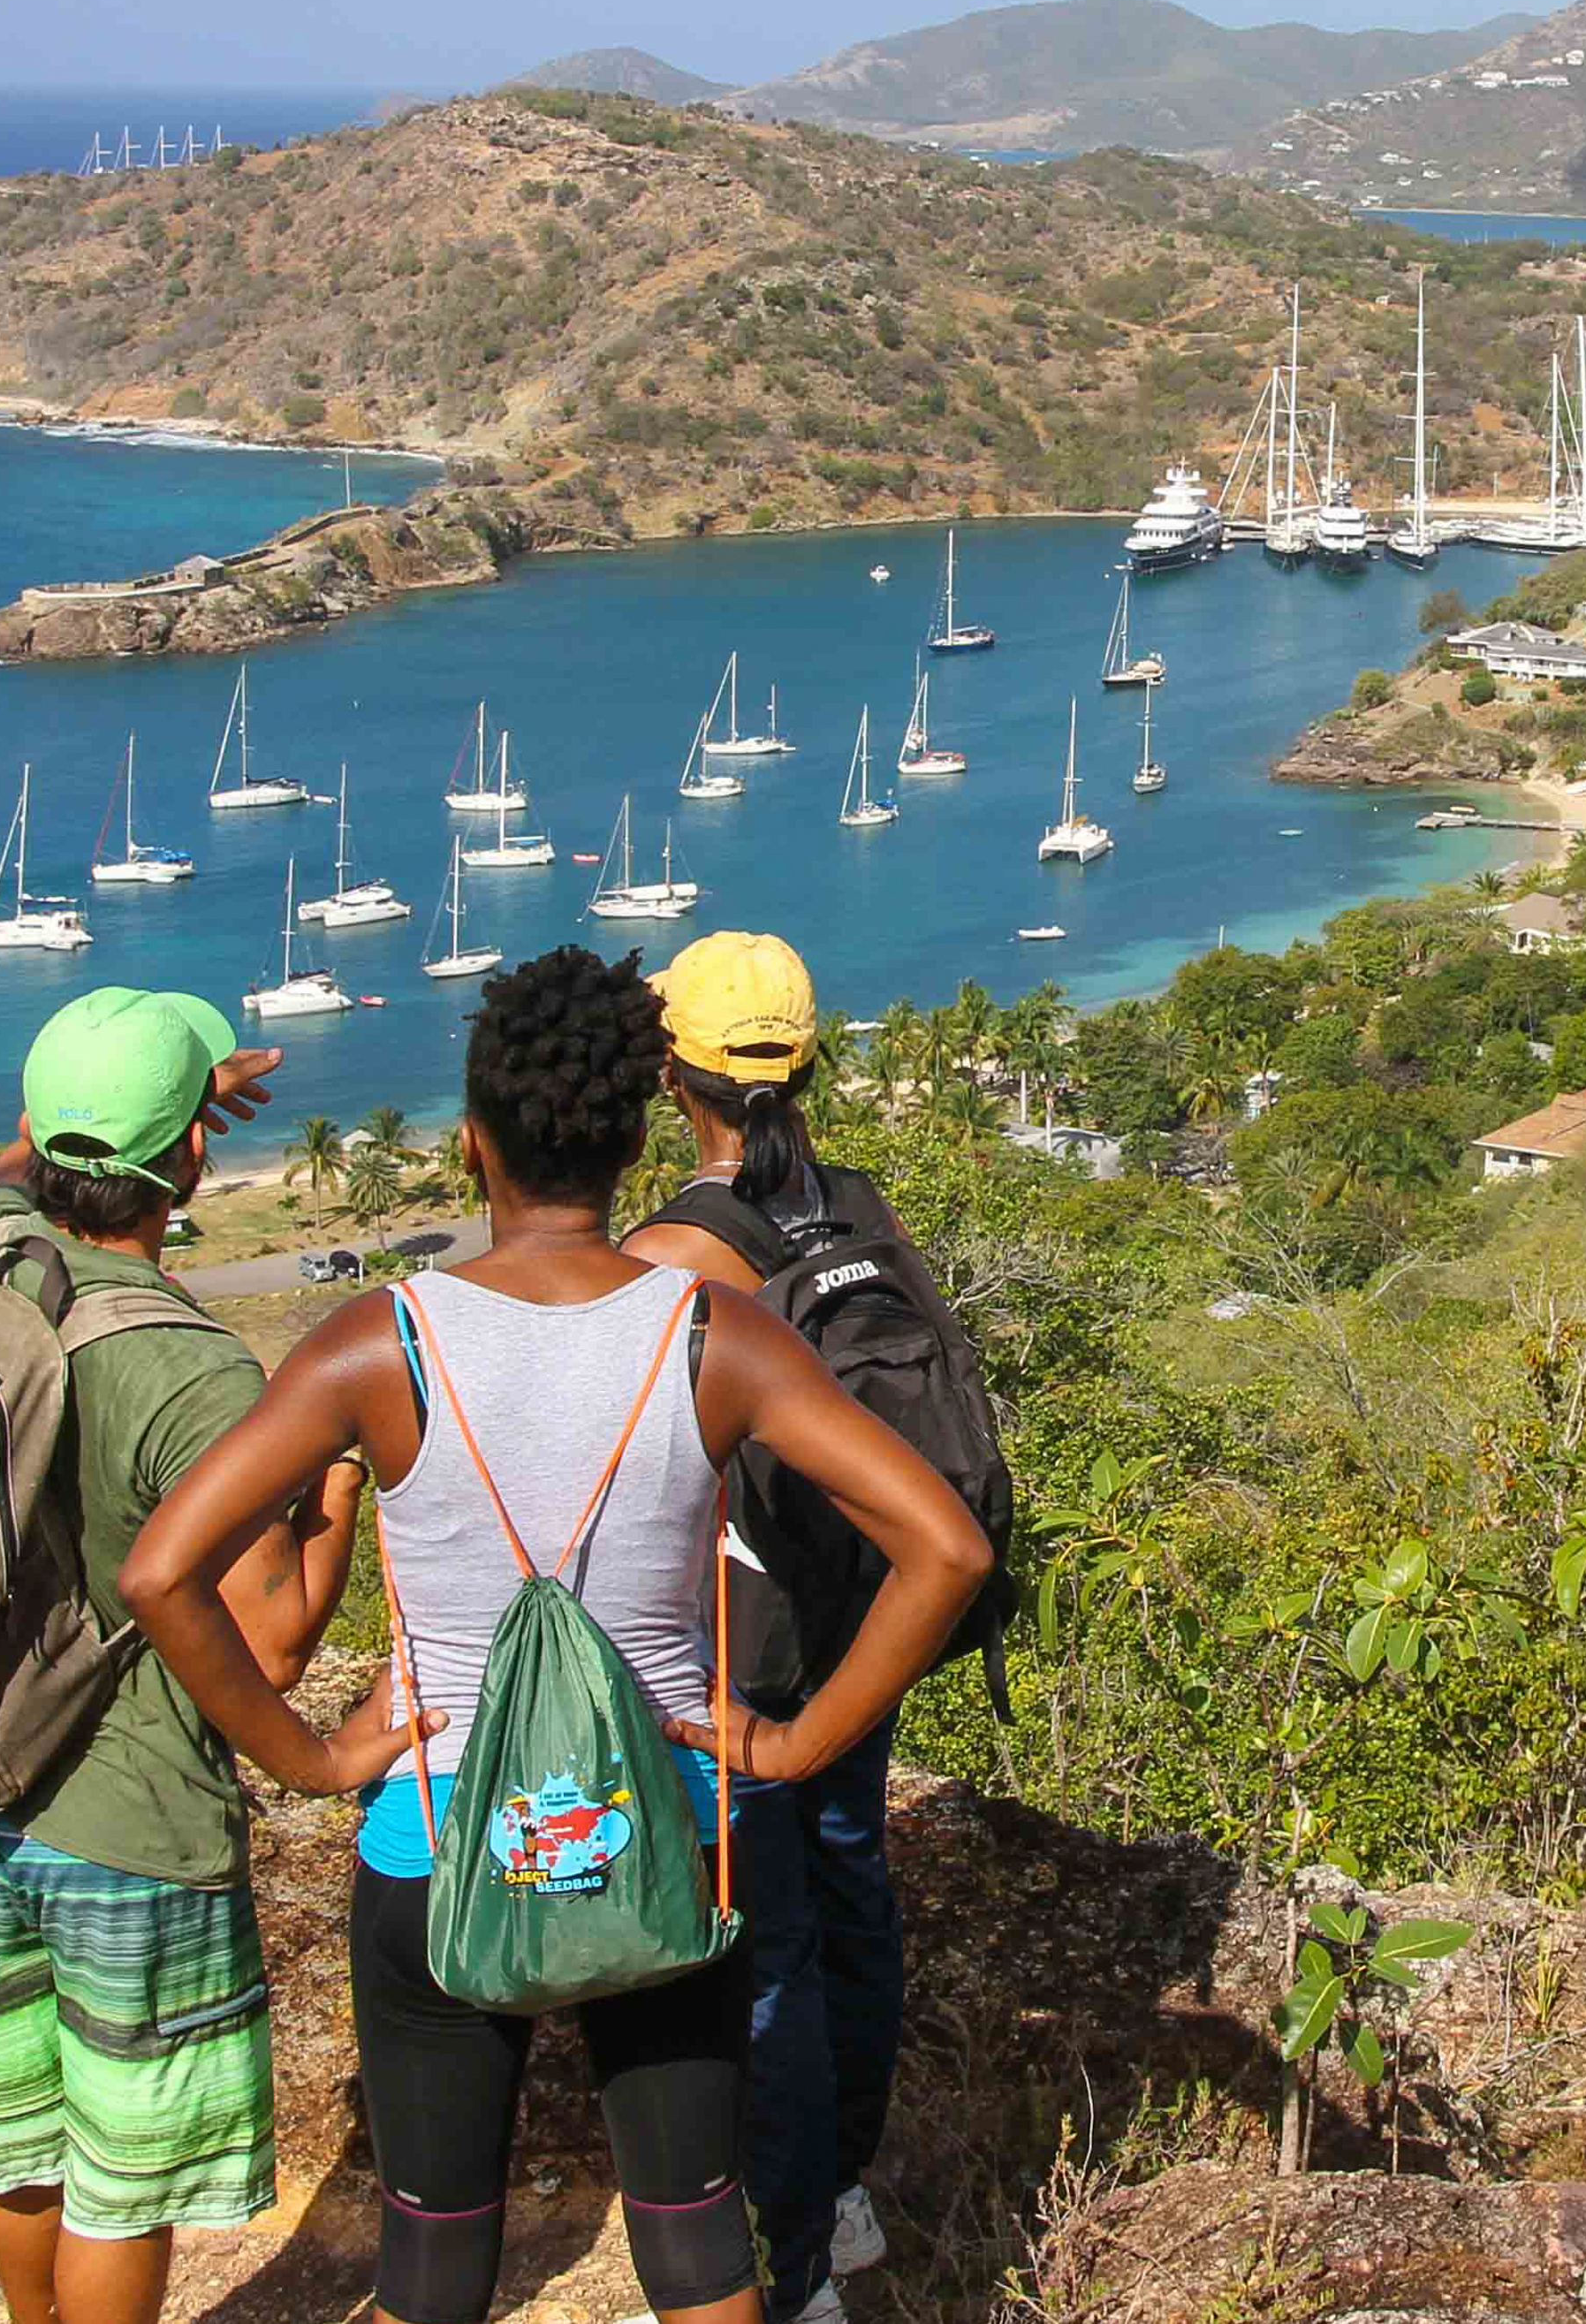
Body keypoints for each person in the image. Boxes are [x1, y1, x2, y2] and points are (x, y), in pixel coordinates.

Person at [119, 948, 989, 2324]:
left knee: (434, 2248)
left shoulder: (376, 1342)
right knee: (700, 2244)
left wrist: (307, 1759)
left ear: (472, 1147)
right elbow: (946, 1545)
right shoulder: (717, 1333)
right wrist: (795, 1739)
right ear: (635, 1137)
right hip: (659, 1834)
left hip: (438, 1840)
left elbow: (163, 1572)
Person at [0, 991, 368, 2324]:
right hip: (133, 1823)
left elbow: (7, 1169)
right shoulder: (188, 1370)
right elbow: (273, 1642)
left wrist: (125, 1112)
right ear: (187, 1164)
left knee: (16, 2131)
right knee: (125, 2173)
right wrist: (336, 1469)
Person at [620, 933, 940, 2324]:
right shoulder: (859, 1207)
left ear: (673, 1074)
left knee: (773, 1948)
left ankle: (792, 2252)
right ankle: (848, 2187)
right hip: (860, 1611)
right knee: (855, 1890)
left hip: (737, 1643)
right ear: (805, 1061)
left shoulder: (673, 1256)